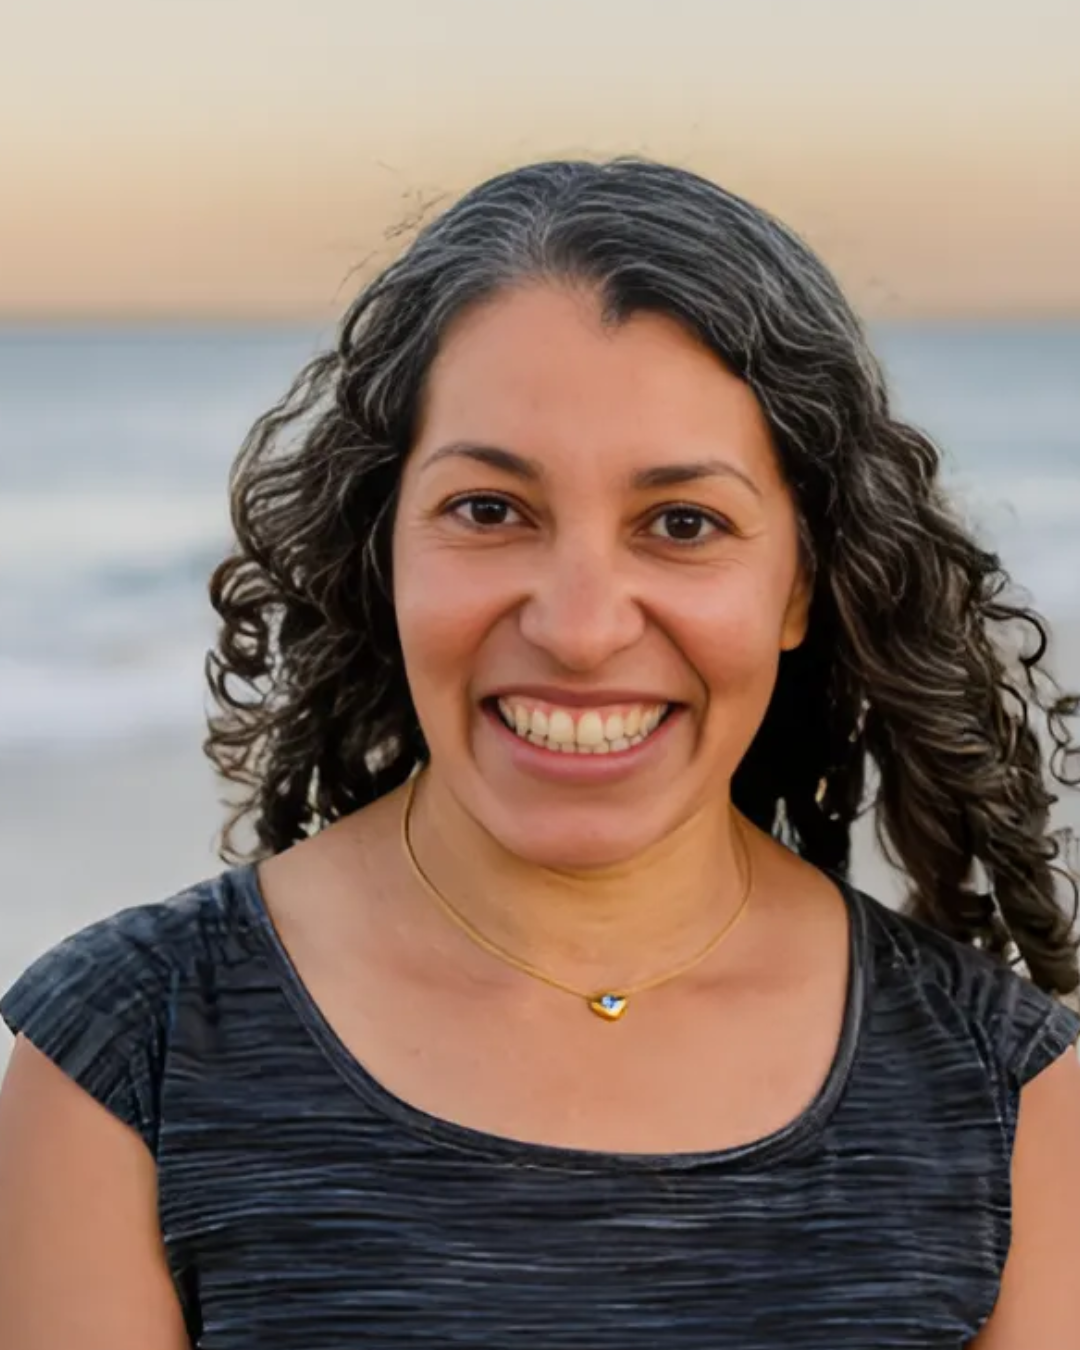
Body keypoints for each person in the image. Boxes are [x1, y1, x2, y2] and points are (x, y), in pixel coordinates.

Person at [1, 157, 1079, 1349]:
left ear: (804, 586)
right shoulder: (128, 1056)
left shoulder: (1012, 1101)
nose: (577, 627)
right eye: (489, 510)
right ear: (384, 548)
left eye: (683, 524)